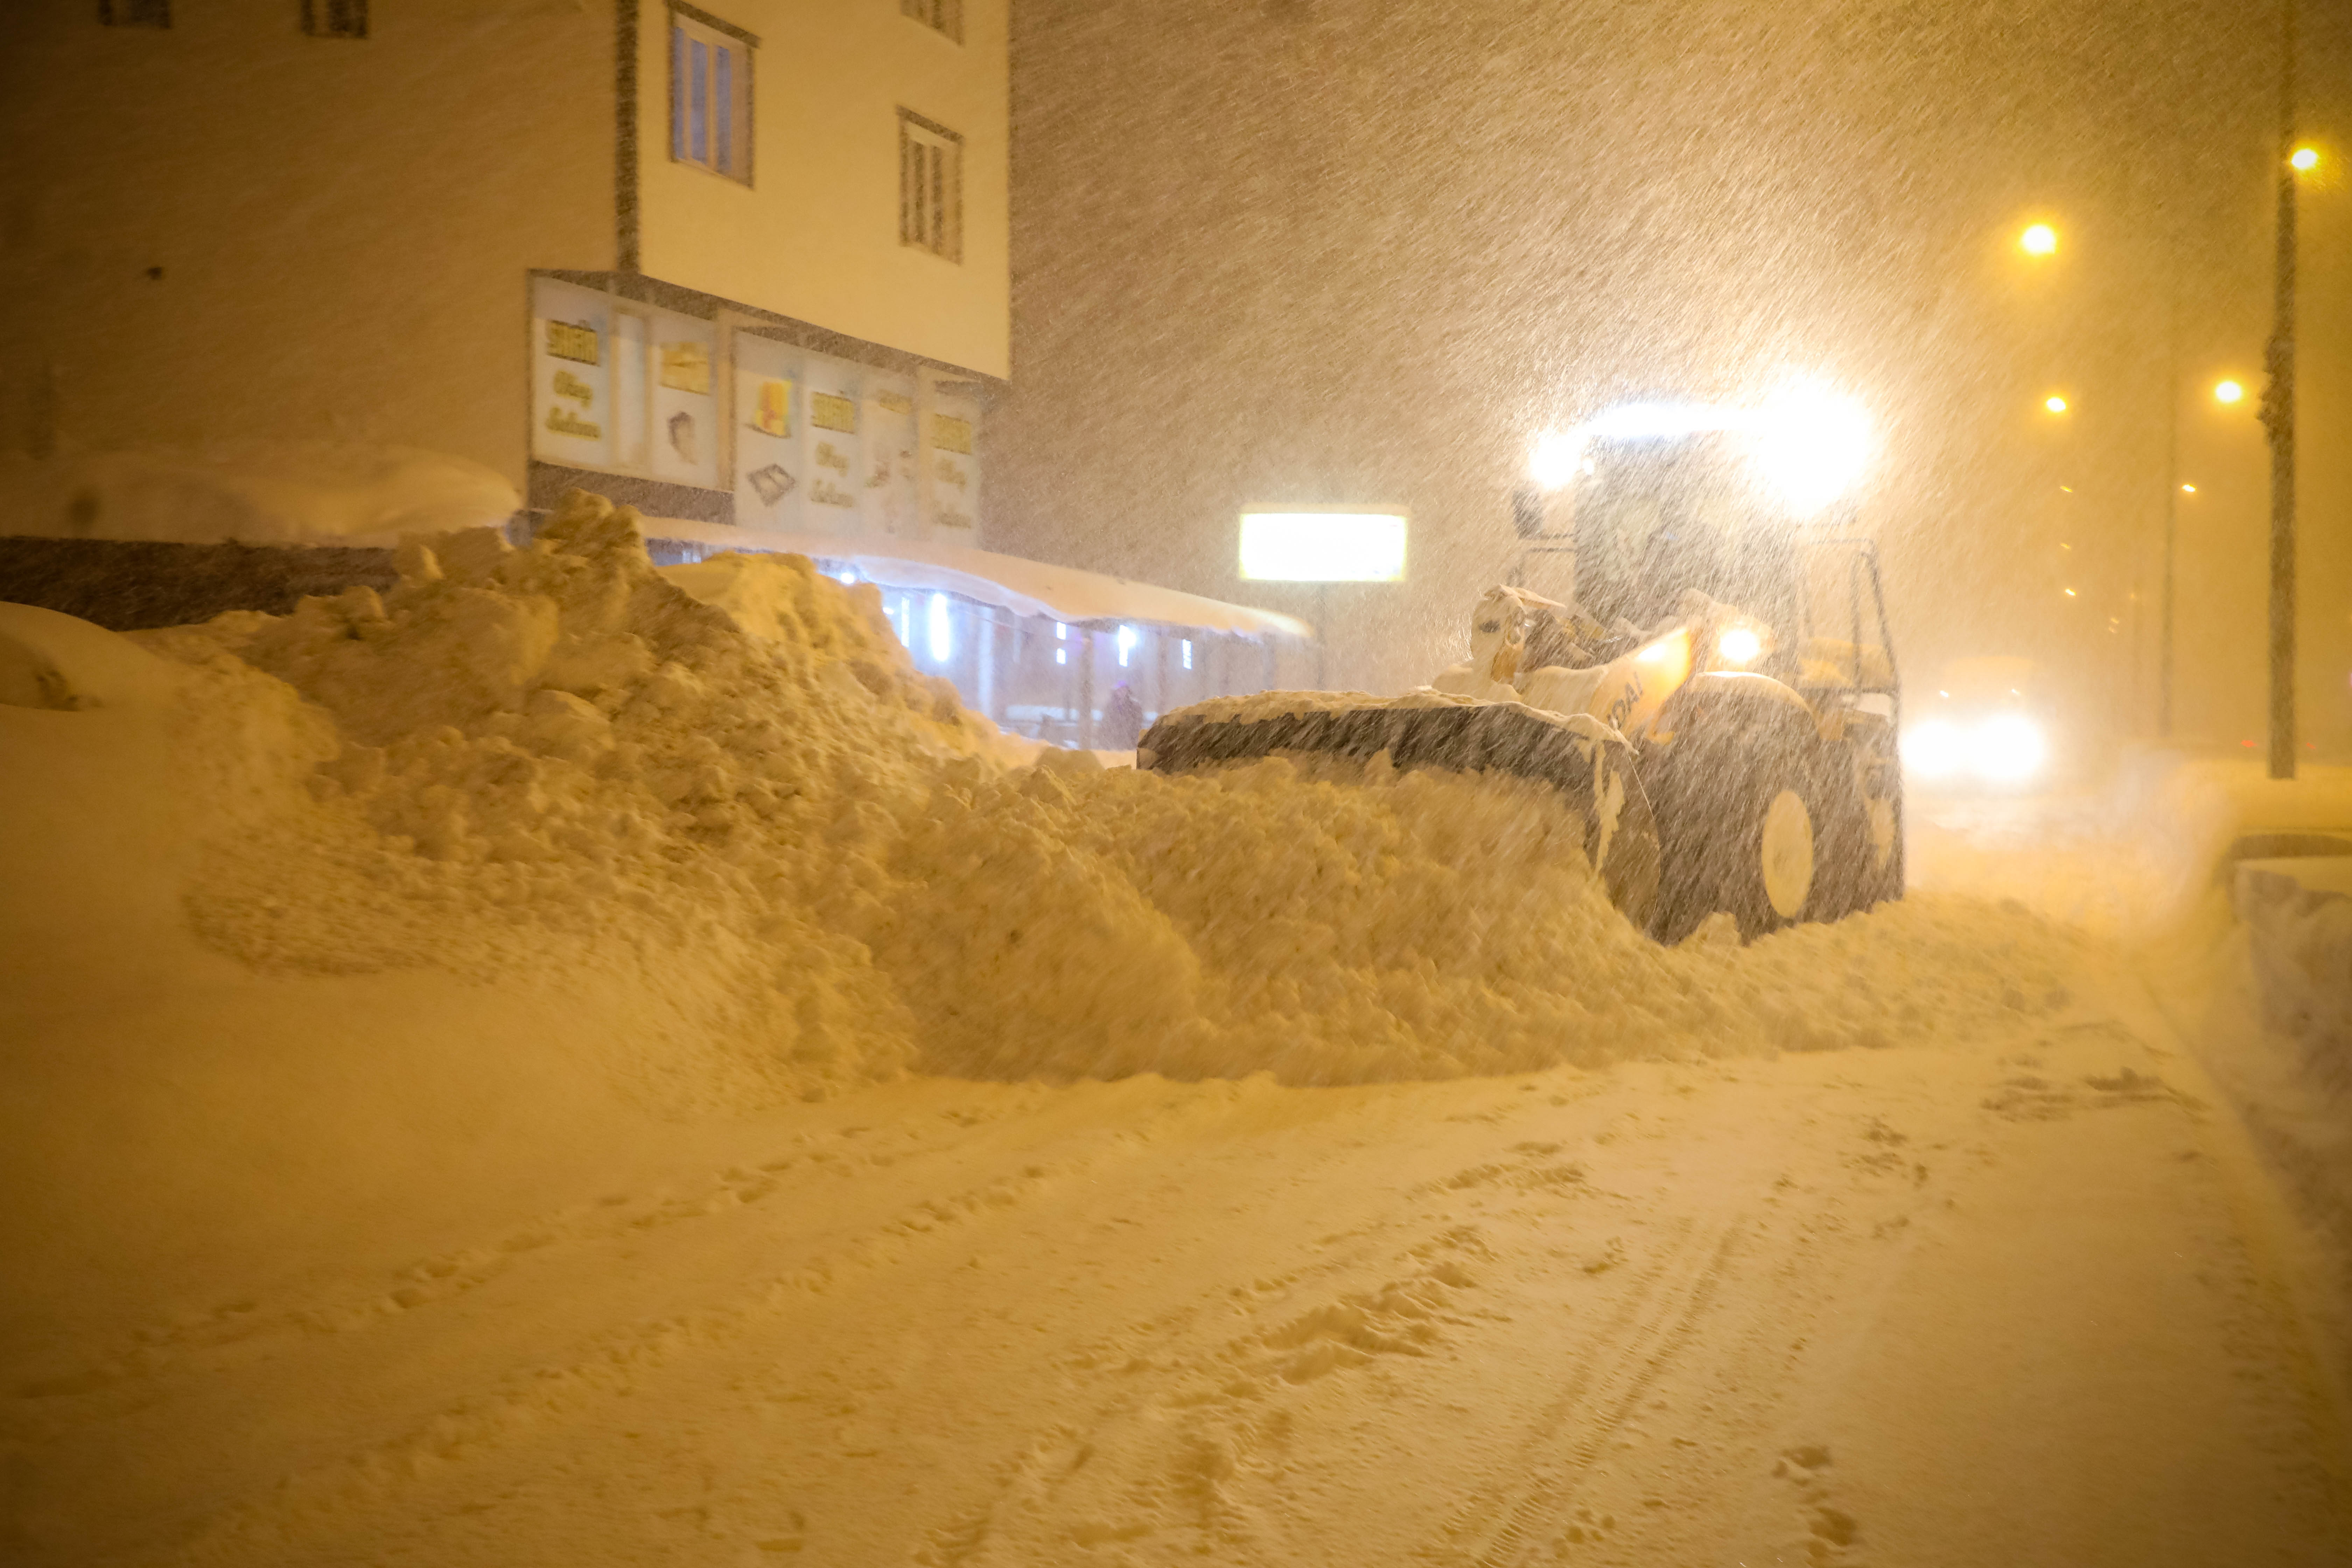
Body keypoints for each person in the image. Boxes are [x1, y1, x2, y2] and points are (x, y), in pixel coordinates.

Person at [1103, 681, 1145, 750]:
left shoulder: (1135, 706)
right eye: (1119, 690)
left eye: (1124, 690)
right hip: (1114, 740)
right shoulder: (1110, 706)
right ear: (1116, 692)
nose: (1122, 692)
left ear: (1128, 691)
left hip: (1129, 741)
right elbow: (1106, 723)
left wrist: (1133, 738)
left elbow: (1137, 724)